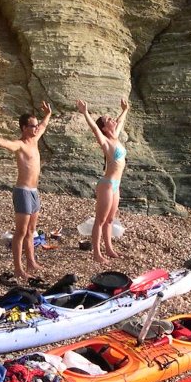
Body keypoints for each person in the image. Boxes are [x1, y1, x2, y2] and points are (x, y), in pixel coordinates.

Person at [0, 101, 53, 280]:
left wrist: (48, 114)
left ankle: (31, 261)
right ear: (24, 127)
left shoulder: (35, 139)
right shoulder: (20, 145)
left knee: (31, 230)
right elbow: (6, 144)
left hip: (34, 191)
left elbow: (44, 125)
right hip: (23, 192)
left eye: (35, 125)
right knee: (20, 232)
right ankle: (18, 268)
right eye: (32, 126)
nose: (36, 128)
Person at [76, 97, 129, 263]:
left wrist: (125, 109)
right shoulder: (106, 142)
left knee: (110, 220)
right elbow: (94, 128)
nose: (112, 119)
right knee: (100, 220)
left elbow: (120, 121)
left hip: (116, 185)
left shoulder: (116, 137)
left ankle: (109, 249)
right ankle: (97, 254)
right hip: (106, 185)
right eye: (108, 120)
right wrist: (85, 112)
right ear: (105, 128)